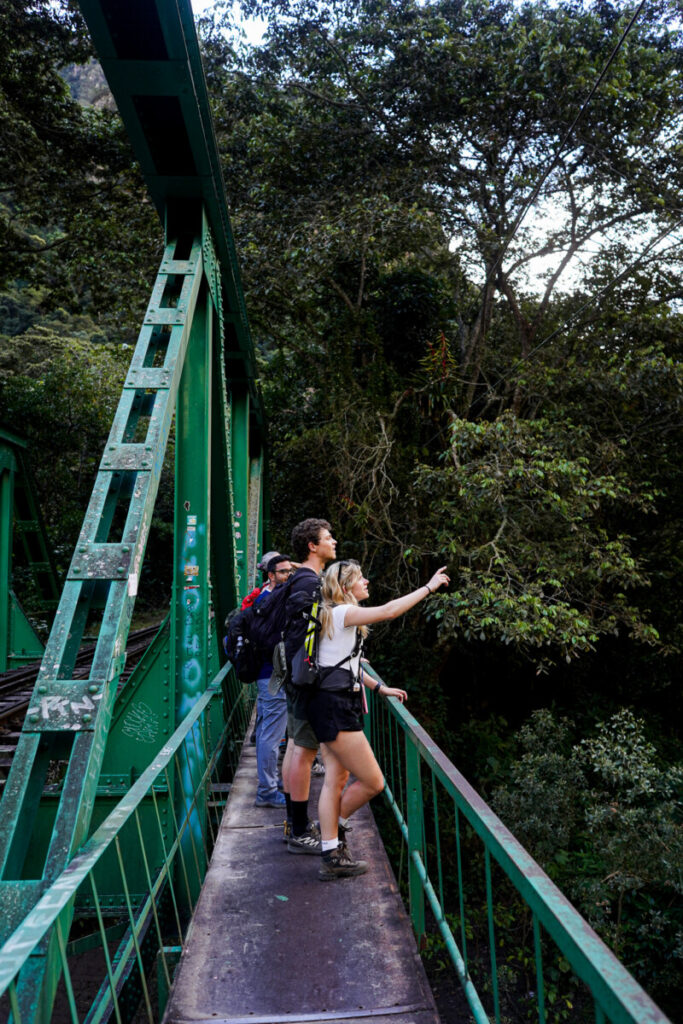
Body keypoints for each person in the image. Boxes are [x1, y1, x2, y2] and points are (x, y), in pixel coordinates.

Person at [310, 560, 450, 880]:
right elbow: (389, 611)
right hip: (337, 707)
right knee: (374, 782)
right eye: (360, 579)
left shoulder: (331, 615)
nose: (367, 582)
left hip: (326, 703)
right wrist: (428, 587)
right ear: (345, 588)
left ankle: (331, 845)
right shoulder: (342, 613)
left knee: (336, 779)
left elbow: (345, 663)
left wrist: (379, 687)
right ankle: (332, 836)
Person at [281, 518, 337, 853]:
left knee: (294, 747)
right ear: (312, 546)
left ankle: (294, 822)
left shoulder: (299, 578)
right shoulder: (308, 582)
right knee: (304, 751)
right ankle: (300, 832)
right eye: (328, 538)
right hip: (305, 676)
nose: (334, 541)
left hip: (294, 673)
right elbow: (306, 634)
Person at [253, 554, 293, 807]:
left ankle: (271, 781)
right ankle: (266, 791)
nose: (288, 575)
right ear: (270, 575)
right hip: (273, 675)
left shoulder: (265, 597)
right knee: (270, 734)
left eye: (291, 571)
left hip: (269, 674)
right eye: (283, 572)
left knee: (269, 730)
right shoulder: (270, 601)